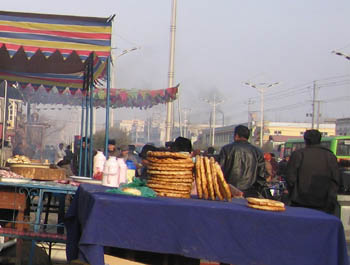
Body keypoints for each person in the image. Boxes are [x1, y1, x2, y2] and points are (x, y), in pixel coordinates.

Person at [286, 129, 340, 214]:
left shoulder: (298, 154)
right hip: (324, 203)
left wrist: (293, 191)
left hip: (299, 202)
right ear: (320, 139)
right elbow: (336, 179)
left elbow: (290, 177)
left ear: (305, 140)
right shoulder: (330, 156)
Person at [218, 125, 266, 198]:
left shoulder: (226, 149)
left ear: (236, 136)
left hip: (229, 192)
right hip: (250, 193)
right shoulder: (257, 152)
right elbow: (261, 175)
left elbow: (219, 171)